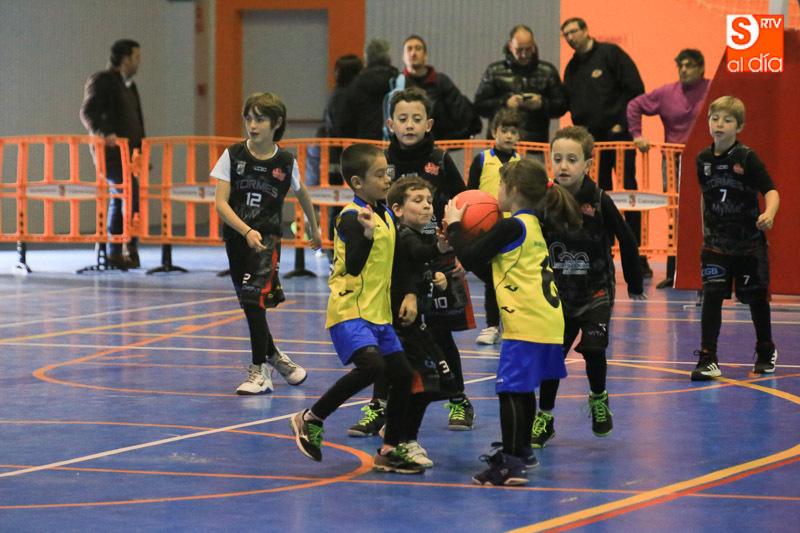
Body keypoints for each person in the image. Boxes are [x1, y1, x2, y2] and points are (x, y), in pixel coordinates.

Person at [443, 157, 582, 486]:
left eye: (501, 186)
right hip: (547, 320)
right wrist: (465, 253)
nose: (497, 193)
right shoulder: (530, 225)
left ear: (514, 190)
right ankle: (522, 451)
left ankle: (510, 464)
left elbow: (471, 255)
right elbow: (493, 272)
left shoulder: (510, 226)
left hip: (527, 322)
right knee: (522, 390)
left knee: (508, 389)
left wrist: (454, 226)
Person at [346, 87, 476, 438]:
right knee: (388, 334)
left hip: (435, 256)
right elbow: (368, 206)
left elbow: (463, 205)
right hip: (393, 260)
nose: (409, 125)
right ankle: (380, 407)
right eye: (402, 119)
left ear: (428, 124)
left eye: (416, 119)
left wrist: (462, 252)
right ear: (390, 124)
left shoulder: (440, 160)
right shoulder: (380, 162)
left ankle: (458, 398)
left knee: (439, 334)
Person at [290, 143, 424, 474]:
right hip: (350, 310)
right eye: (379, 175)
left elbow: (399, 262)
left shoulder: (386, 215)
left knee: (403, 375)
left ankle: (389, 450)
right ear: (357, 182)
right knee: (373, 366)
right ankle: (311, 418)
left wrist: (409, 293)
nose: (387, 179)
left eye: (387, 172)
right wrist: (366, 235)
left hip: (379, 314)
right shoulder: (352, 218)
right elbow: (353, 265)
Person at [532, 126, 646, 448]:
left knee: (594, 348)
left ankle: (598, 398)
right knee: (553, 356)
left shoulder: (598, 199)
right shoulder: (545, 200)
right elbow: (528, 237)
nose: (563, 166)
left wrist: (634, 281)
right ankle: (545, 417)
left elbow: (626, 238)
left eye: (572, 159)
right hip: (558, 294)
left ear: (588, 164)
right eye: (557, 159)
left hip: (596, 289)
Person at [211, 92, 321, 395]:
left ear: (276, 123)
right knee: (250, 306)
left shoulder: (285, 161)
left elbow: (302, 193)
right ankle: (277, 358)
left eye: (260, 119)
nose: (252, 125)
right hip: (237, 239)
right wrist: (245, 230)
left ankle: (260, 372)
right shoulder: (232, 155)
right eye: (249, 118)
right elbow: (220, 204)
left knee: (252, 300)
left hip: (267, 242)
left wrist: (314, 227)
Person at [691, 96, 780, 381]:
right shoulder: (702, 160)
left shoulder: (746, 158)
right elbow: (706, 197)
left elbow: (771, 190)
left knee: (755, 299)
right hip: (715, 245)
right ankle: (708, 357)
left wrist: (769, 214)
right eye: (715, 118)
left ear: (739, 127)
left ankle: (765, 350)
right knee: (712, 296)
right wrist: (706, 230)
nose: (719, 124)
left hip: (749, 245)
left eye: (727, 120)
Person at [561, 18, 652, 278]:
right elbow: (567, 101)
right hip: (592, 145)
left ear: (585, 30)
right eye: (565, 34)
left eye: (573, 31)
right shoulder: (572, 67)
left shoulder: (611, 54)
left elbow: (636, 90)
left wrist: (621, 123)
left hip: (619, 138)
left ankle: (638, 257)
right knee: (596, 198)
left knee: (629, 195)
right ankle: (601, 254)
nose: (570, 37)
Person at [384, 176, 456, 467]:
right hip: (402, 326)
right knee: (422, 381)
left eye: (428, 200)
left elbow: (420, 264)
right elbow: (416, 254)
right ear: (398, 209)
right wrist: (440, 248)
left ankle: (400, 430)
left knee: (437, 380)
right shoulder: (403, 235)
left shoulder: (420, 235)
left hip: (418, 324)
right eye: (418, 200)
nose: (427, 205)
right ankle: (404, 438)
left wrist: (437, 275)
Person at [626, 49, 711, 288]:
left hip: (706, 161)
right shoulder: (667, 93)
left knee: (707, 212)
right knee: (676, 215)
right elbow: (634, 106)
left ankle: (708, 271)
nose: (684, 70)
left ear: (701, 68)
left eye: (689, 65)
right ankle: (676, 273)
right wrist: (637, 135)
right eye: (680, 66)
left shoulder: (712, 89)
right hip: (673, 163)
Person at [80, 39, 145, 269]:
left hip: (131, 156)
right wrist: (104, 133)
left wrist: (141, 152)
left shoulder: (129, 86)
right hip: (112, 154)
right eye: (136, 57)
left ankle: (119, 251)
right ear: (125, 59)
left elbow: (137, 121)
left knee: (123, 198)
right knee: (127, 196)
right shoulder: (103, 80)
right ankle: (123, 249)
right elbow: (88, 111)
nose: (139, 62)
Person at [467, 107, 523, 345]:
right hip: (485, 230)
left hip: (512, 230)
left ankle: (512, 324)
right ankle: (492, 326)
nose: (509, 135)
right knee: (492, 278)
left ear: (519, 135)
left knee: (511, 278)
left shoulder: (521, 163)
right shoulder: (481, 159)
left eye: (513, 131)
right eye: (504, 130)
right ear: (493, 132)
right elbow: (469, 192)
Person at [474, 25, 568, 143]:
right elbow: (479, 106)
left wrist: (541, 104)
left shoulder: (548, 71)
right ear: (510, 47)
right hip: (501, 143)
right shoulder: (494, 71)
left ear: (533, 47)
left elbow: (562, 106)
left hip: (534, 143)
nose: (524, 55)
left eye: (528, 49)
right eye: (519, 50)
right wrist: (505, 103)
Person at [394, 35, 481, 141]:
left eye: (418, 48)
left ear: (425, 56)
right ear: (403, 57)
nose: (413, 53)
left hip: (437, 143)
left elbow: (462, 113)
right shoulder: (396, 83)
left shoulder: (441, 82)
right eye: (409, 49)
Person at [342, 39, 398, 141]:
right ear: (389, 58)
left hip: (364, 144)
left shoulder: (354, 86)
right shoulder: (398, 82)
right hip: (393, 144)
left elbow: (347, 124)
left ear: (366, 59)